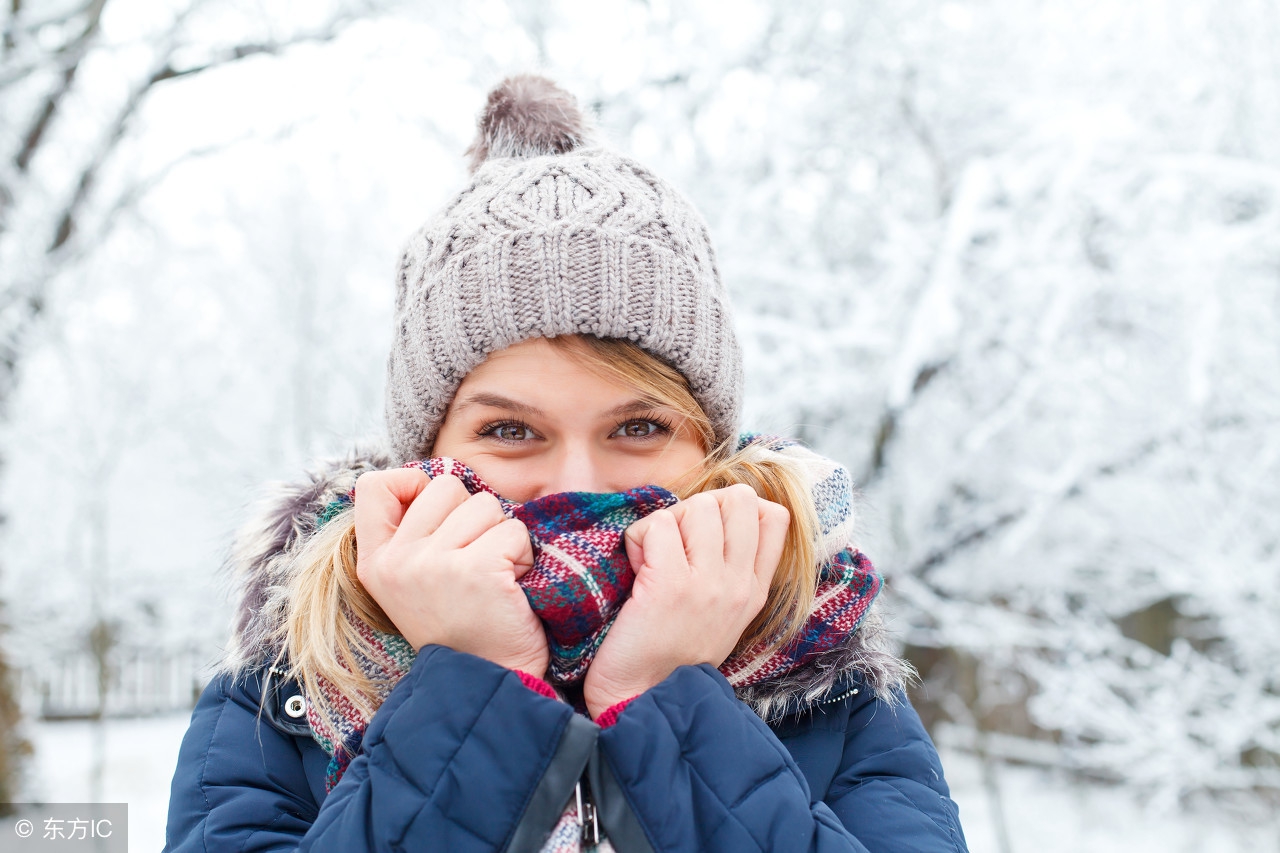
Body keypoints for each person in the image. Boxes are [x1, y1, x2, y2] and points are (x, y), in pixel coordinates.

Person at [163, 75, 969, 853]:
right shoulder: (287, 693)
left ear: (711, 450)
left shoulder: (827, 682)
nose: (578, 484)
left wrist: (665, 695)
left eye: (640, 424)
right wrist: (476, 686)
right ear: (427, 457)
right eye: (512, 430)